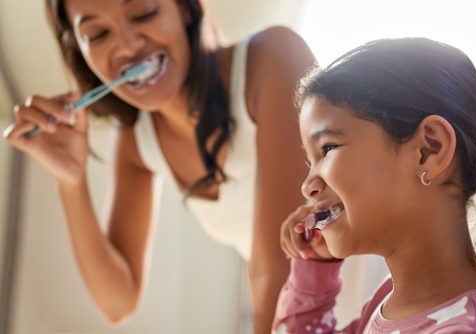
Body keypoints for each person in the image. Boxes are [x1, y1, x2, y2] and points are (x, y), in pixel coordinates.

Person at [2, 0, 316, 332]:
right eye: (96, 34)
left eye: (143, 13)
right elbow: (118, 302)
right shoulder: (138, 141)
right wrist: (70, 183)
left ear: (183, 8)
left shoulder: (274, 59)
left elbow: (280, 267)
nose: (127, 46)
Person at [274, 37, 476, 333]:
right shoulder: (388, 301)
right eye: (309, 163)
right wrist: (314, 269)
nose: (308, 187)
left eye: (328, 148)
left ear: (429, 149)